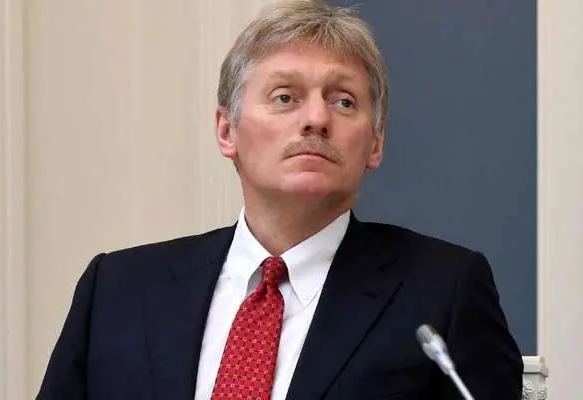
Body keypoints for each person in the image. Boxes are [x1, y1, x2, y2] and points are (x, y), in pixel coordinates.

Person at [37, 1, 523, 399]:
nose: (316, 119)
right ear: (227, 130)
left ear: (375, 143)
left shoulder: (442, 292)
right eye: (285, 97)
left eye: (343, 101)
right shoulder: (117, 290)